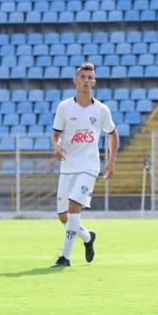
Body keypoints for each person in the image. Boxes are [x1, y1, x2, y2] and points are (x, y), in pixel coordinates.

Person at [50, 62, 118, 268]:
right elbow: (55, 135)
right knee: (64, 217)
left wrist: (111, 161)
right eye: (83, 77)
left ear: (94, 82)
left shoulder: (101, 110)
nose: (86, 81)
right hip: (67, 166)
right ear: (76, 80)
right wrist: (57, 146)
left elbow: (112, 134)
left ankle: (65, 257)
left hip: (89, 167)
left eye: (90, 78)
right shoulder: (64, 107)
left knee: (73, 206)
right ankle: (88, 237)